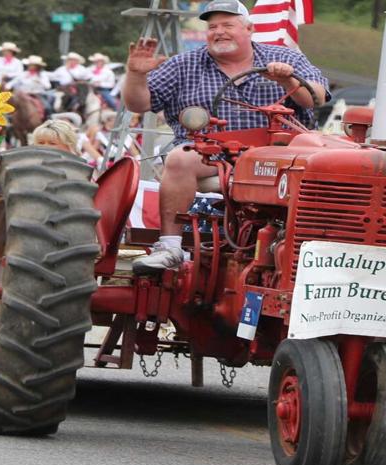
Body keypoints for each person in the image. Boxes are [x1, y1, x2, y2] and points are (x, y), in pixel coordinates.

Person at [123, 0, 326, 272]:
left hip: (277, 157)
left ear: (249, 29)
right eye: (213, 26)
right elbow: (138, 104)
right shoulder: (184, 65)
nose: (219, 31)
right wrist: (135, 76)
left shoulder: (286, 59)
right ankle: (170, 246)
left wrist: (288, 81)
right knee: (180, 158)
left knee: (324, 167)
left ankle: (312, 249)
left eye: (228, 25)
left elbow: (317, 98)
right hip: (211, 155)